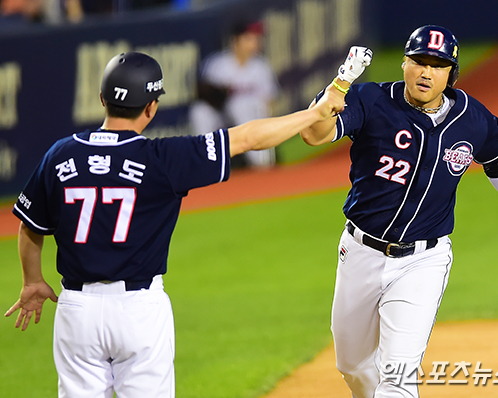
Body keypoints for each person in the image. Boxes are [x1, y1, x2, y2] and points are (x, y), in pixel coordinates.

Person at [4, 51, 343, 398]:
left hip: (76, 310)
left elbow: (30, 225)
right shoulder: (162, 159)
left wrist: (32, 281)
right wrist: (313, 114)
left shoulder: (60, 154)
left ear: (102, 99)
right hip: (138, 311)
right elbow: (246, 139)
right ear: (151, 107)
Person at [300, 25, 498, 398]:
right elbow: (313, 134)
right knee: (352, 365)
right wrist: (341, 84)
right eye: (418, 61)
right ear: (404, 63)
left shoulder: (473, 119)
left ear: (450, 74)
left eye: (438, 65)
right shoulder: (370, 100)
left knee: (398, 377)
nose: (426, 72)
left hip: (423, 261)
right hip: (359, 252)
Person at [189, 20, 280, 168]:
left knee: (239, 106)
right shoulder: (218, 64)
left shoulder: (261, 67)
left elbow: (269, 101)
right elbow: (206, 97)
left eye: (256, 39)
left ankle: (263, 164)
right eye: (249, 38)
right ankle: (205, 165)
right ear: (235, 41)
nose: (254, 43)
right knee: (198, 111)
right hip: (222, 116)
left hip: (251, 117)